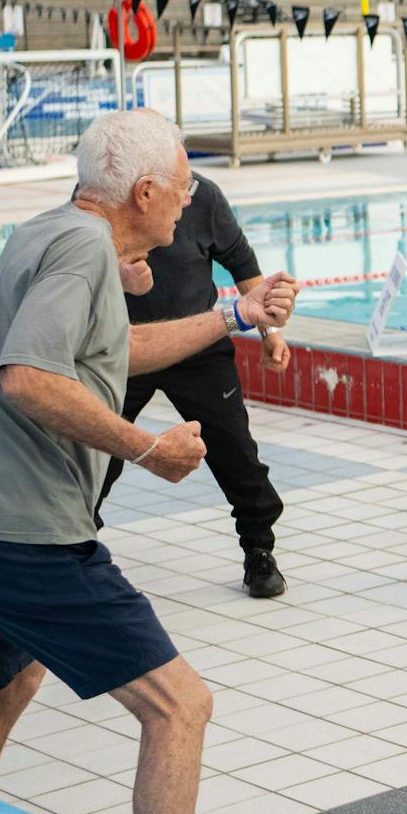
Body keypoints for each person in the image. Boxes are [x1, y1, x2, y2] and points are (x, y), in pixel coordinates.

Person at [0, 112, 297, 814]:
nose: (189, 204)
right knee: (181, 706)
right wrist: (145, 446)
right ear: (144, 192)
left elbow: (121, 349)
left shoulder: (48, 229)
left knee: (10, 685)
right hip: (20, 540)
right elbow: (26, 376)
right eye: (181, 191)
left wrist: (235, 315)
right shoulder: (85, 251)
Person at [94, 170, 293, 599]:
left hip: (196, 345)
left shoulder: (202, 196)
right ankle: (70, 544)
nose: (184, 188)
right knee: (95, 447)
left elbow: (241, 261)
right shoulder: (101, 192)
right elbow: (79, 261)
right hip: (124, 347)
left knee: (235, 452)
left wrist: (270, 334)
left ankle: (260, 549)